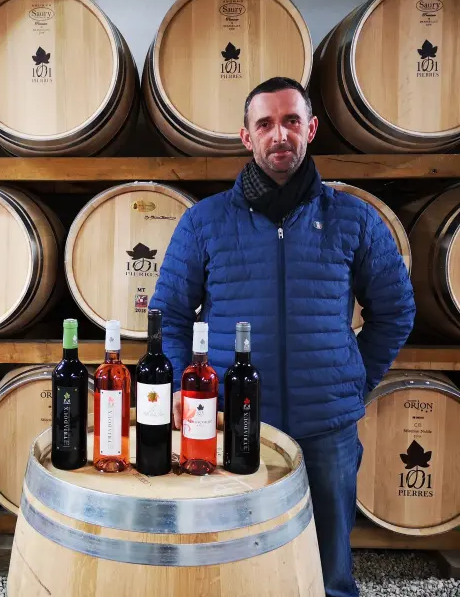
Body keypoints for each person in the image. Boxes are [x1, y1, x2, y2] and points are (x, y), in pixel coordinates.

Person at [149, 76, 416, 597]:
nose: (279, 135)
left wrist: (353, 378)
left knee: (330, 570)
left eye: (291, 121)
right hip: (232, 423)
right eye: (265, 123)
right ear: (246, 136)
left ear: (310, 129)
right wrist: (184, 388)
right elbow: (171, 316)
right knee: (233, 565)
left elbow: (396, 310)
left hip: (327, 428)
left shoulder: (353, 219)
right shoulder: (205, 222)